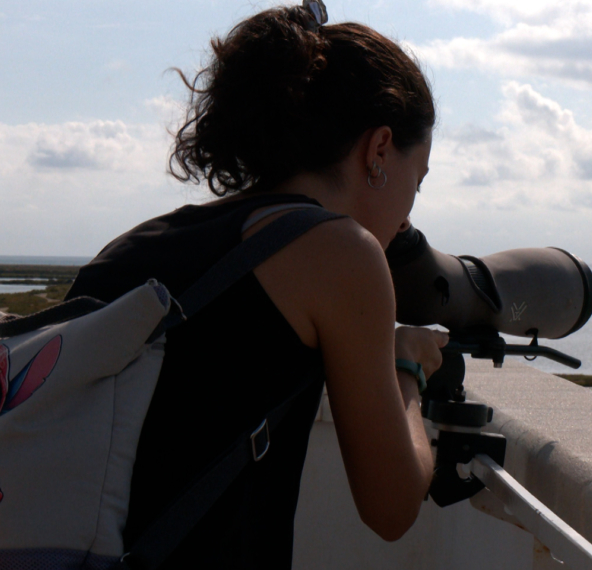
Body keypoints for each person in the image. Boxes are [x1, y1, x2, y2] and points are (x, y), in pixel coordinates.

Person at [64, 3, 444, 568]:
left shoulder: (138, 244)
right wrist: (405, 367)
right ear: (379, 149)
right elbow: (391, 509)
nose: (408, 217)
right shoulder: (343, 253)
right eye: (417, 182)